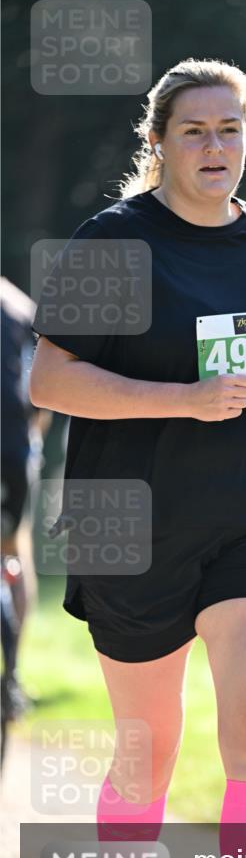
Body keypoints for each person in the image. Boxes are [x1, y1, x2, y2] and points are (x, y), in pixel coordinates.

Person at [29, 57, 246, 858]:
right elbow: (49, 379)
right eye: (195, 130)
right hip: (133, 521)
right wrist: (182, 398)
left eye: (231, 128)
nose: (216, 146)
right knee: (146, 747)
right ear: (157, 142)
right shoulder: (114, 242)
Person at [1, 277, 50, 767]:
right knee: (14, 551)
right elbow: (42, 400)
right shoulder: (19, 307)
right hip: (11, 458)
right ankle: (11, 675)